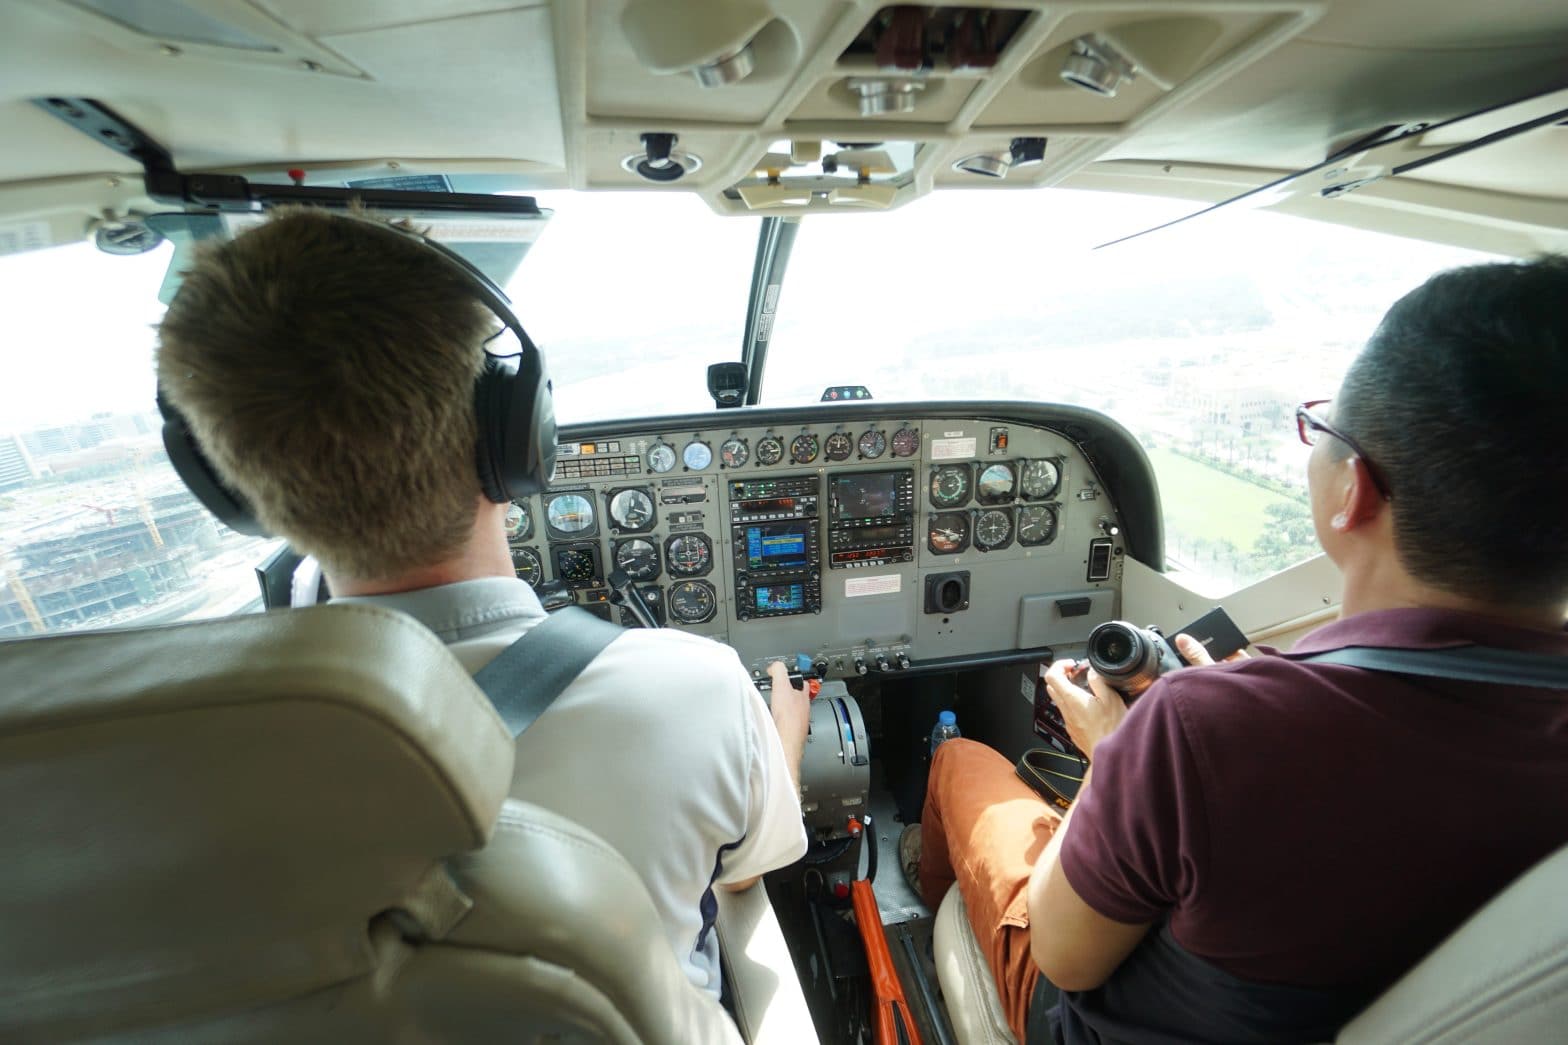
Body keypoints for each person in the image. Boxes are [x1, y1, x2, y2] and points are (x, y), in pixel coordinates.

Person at [155, 208, 810, 997]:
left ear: (230, 488)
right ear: (516, 437)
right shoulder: (698, 688)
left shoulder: (189, 771)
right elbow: (745, 872)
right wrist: (780, 739)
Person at [915, 255, 1568, 1043]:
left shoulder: (1205, 728)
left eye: (1321, 429)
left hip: (1092, 1018)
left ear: (1354, 489)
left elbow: (1064, 958)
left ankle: (919, 923)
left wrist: (1117, 755)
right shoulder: (1227, 718)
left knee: (959, 762)